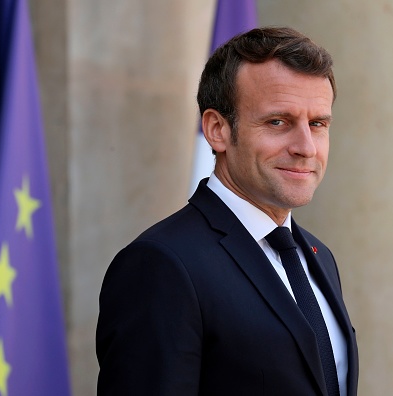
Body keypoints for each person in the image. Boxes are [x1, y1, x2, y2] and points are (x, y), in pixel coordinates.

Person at [96, 26, 359, 396]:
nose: (306, 147)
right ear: (217, 130)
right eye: (278, 122)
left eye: (318, 124)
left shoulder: (318, 256)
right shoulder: (161, 265)